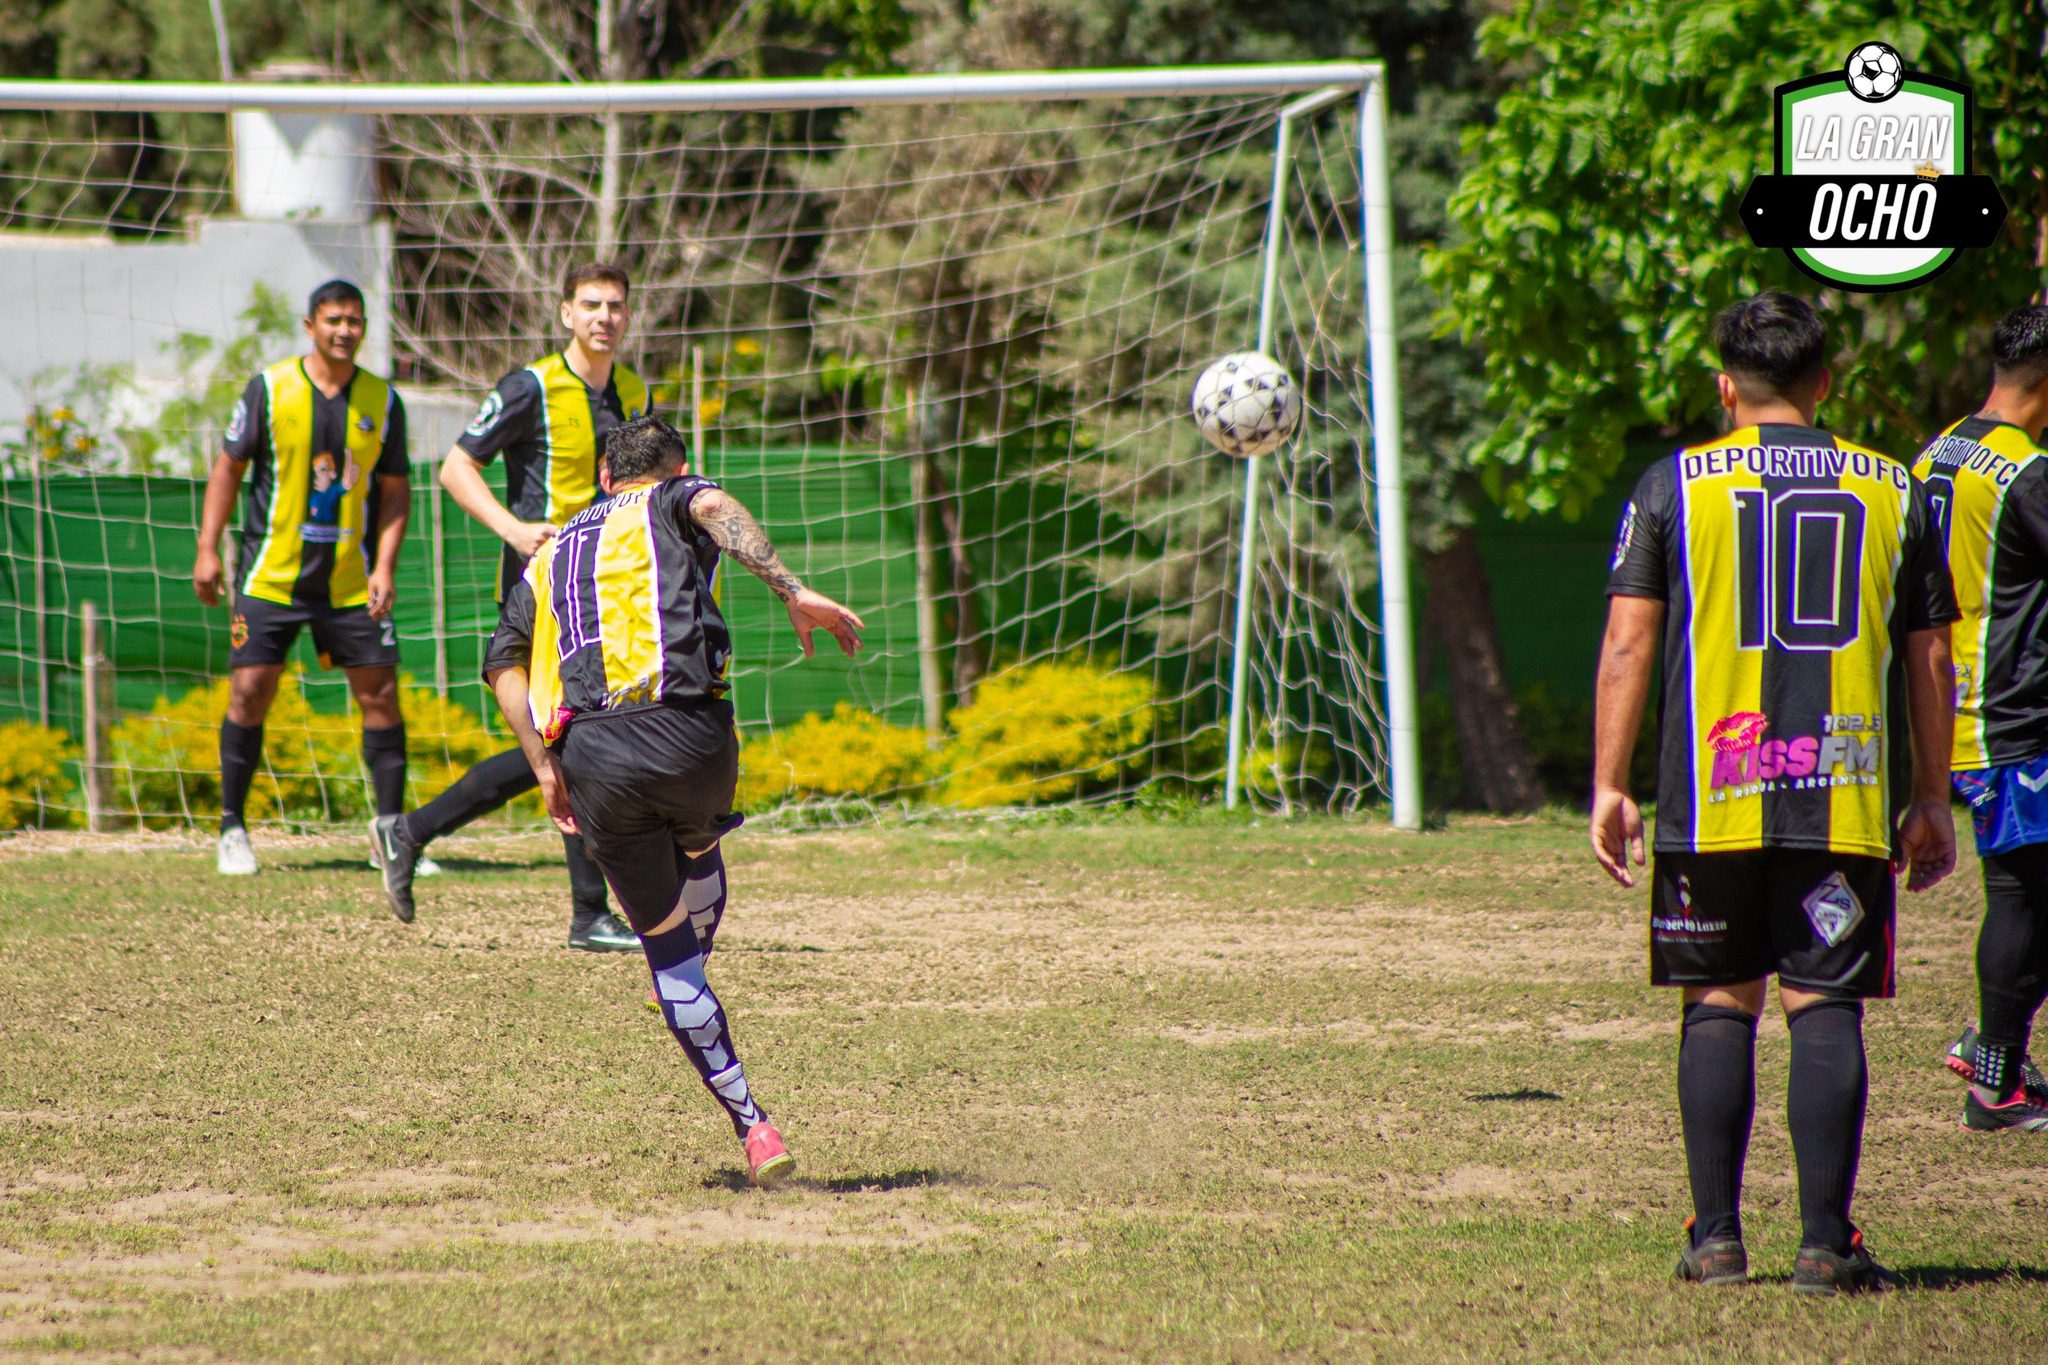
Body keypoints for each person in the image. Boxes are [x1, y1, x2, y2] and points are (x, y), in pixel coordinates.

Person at [1591, 291, 1957, 1295]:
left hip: (1710, 795)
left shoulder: (1671, 485)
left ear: (1723, 388)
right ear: (1824, 383)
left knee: (1717, 1004)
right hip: (1837, 795)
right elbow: (1928, 660)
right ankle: (1822, 1245)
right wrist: (1931, 792)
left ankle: (1712, 1242)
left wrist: (1606, 784)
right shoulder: (1893, 489)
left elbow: (1628, 640)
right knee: (1822, 1003)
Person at [484, 414, 864, 1185]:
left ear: (602, 477)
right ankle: (689, 962)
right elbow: (715, 509)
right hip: (691, 740)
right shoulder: (670, 498)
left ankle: (754, 1125)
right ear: (674, 471)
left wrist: (543, 767)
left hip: (594, 760)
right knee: (698, 850)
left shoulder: (551, 549)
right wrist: (794, 590)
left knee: (668, 952)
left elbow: (502, 665)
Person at [370, 262, 650, 951]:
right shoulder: (531, 387)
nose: (604, 316)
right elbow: (455, 466)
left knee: (565, 743)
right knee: (575, 739)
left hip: (604, 593)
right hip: (542, 592)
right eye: (591, 304)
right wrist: (514, 528)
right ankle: (589, 913)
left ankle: (409, 832)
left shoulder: (636, 391)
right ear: (565, 313)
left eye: (615, 305)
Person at [193, 279, 412, 876]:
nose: (345, 330)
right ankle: (233, 829)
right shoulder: (269, 388)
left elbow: (396, 493)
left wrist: (386, 565)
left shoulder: (383, 401)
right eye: (334, 319)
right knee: (248, 694)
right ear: (309, 324)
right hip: (271, 579)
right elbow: (228, 468)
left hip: (350, 581)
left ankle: (392, 836)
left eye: (355, 321)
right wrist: (207, 549)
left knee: (382, 698)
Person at [1912, 304, 2048, 1132]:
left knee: (2026, 890)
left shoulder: (1939, 447)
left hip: (1956, 702)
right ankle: (1993, 1063)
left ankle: (1996, 1062)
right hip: (2014, 713)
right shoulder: (2026, 473)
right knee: (2024, 895)